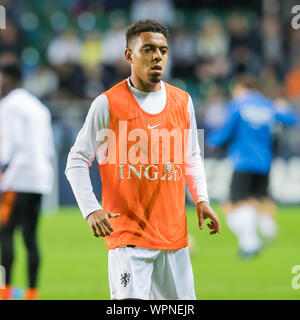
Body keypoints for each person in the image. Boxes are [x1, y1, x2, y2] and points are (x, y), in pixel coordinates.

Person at [66, 19, 220, 300]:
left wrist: (202, 199)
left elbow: (192, 157)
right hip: (128, 240)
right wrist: (91, 209)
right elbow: (76, 160)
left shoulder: (183, 101)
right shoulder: (107, 103)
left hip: (174, 238)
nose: (157, 56)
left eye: (162, 50)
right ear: (129, 56)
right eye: (148, 49)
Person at [206, 73, 298, 259]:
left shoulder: (238, 105)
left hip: (243, 161)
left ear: (240, 87)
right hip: (264, 162)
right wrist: (283, 106)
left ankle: (250, 242)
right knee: (259, 199)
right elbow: (291, 119)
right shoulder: (267, 104)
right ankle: (266, 226)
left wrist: (211, 141)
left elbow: (226, 131)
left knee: (232, 203)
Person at [0, 62, 55, 300]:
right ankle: (32, 293)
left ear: (9, 79)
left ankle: (5, 290)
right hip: (40, 179)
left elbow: (9, 146)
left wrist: (4, 177)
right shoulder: (38, 106)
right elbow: (48, 147)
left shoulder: (9, 105)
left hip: (17, 179)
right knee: (31, 238)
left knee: (5, 232)